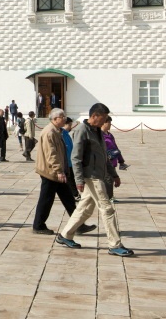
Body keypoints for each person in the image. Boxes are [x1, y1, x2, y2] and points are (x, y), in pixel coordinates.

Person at [57, 103, 134, 257]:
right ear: (94, 116)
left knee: (85, 208)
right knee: (107, 209)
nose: (105, 121)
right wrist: (79, 180)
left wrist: (114, 175)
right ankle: (114, 245)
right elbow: (76, 157)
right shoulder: (82, 131)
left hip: (99, 175)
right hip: (91, 177)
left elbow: (104, 156)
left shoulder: (97, 131)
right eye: (104, 118)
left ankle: (65, 235)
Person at [31, 108, 96, 236]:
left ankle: (78, 225)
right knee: (46, 200)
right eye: (62, 117)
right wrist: (59, 171)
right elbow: (51, 154)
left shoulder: (57, 131)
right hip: (51, 172)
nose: (65, 118)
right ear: (55, 119)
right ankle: (38, 225)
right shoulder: (50, 132)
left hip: (57, 172)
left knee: (68, 198)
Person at [102, 117, 127, 201]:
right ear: (103, 123)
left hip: (113, 161)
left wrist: (121, 160)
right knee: (108, 180)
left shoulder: (110, 135)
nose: (110, 125)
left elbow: (116, 148)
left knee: (111, 179)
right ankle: (109, 197)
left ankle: (110, 196)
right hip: (105, 161)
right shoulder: (100, 135)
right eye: (109, 123)